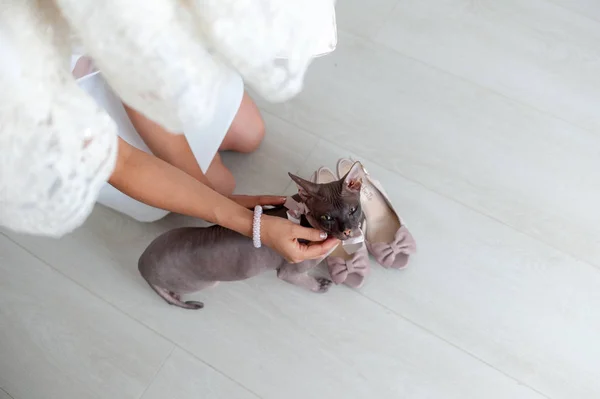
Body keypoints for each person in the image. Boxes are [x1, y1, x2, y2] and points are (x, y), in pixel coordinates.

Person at [72, 56, 338, 264]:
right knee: (219, 184)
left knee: (251, 134)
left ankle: (200, 167)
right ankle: (202, 174)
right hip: (80, 102)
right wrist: (239, 216)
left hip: (139, 67)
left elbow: (133, 77)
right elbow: (124, 162)